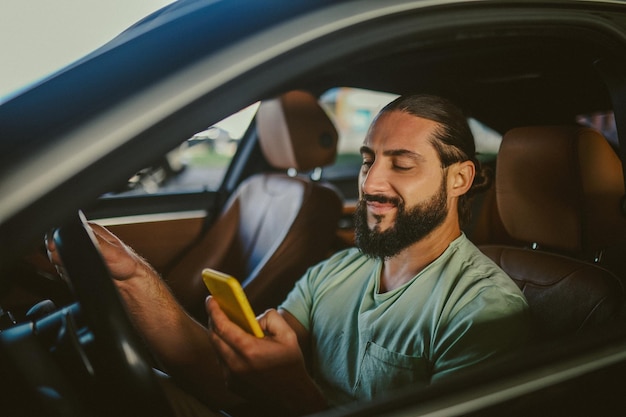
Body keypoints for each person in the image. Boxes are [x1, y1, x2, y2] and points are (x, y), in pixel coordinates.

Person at [47, 94, 530, 416]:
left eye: (401, 164)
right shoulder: (334, 272)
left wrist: (294, 394)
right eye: (367, 161)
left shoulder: (482, 312)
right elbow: (221, 374)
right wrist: (133, 278)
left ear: (459, 179)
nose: (371, 184)